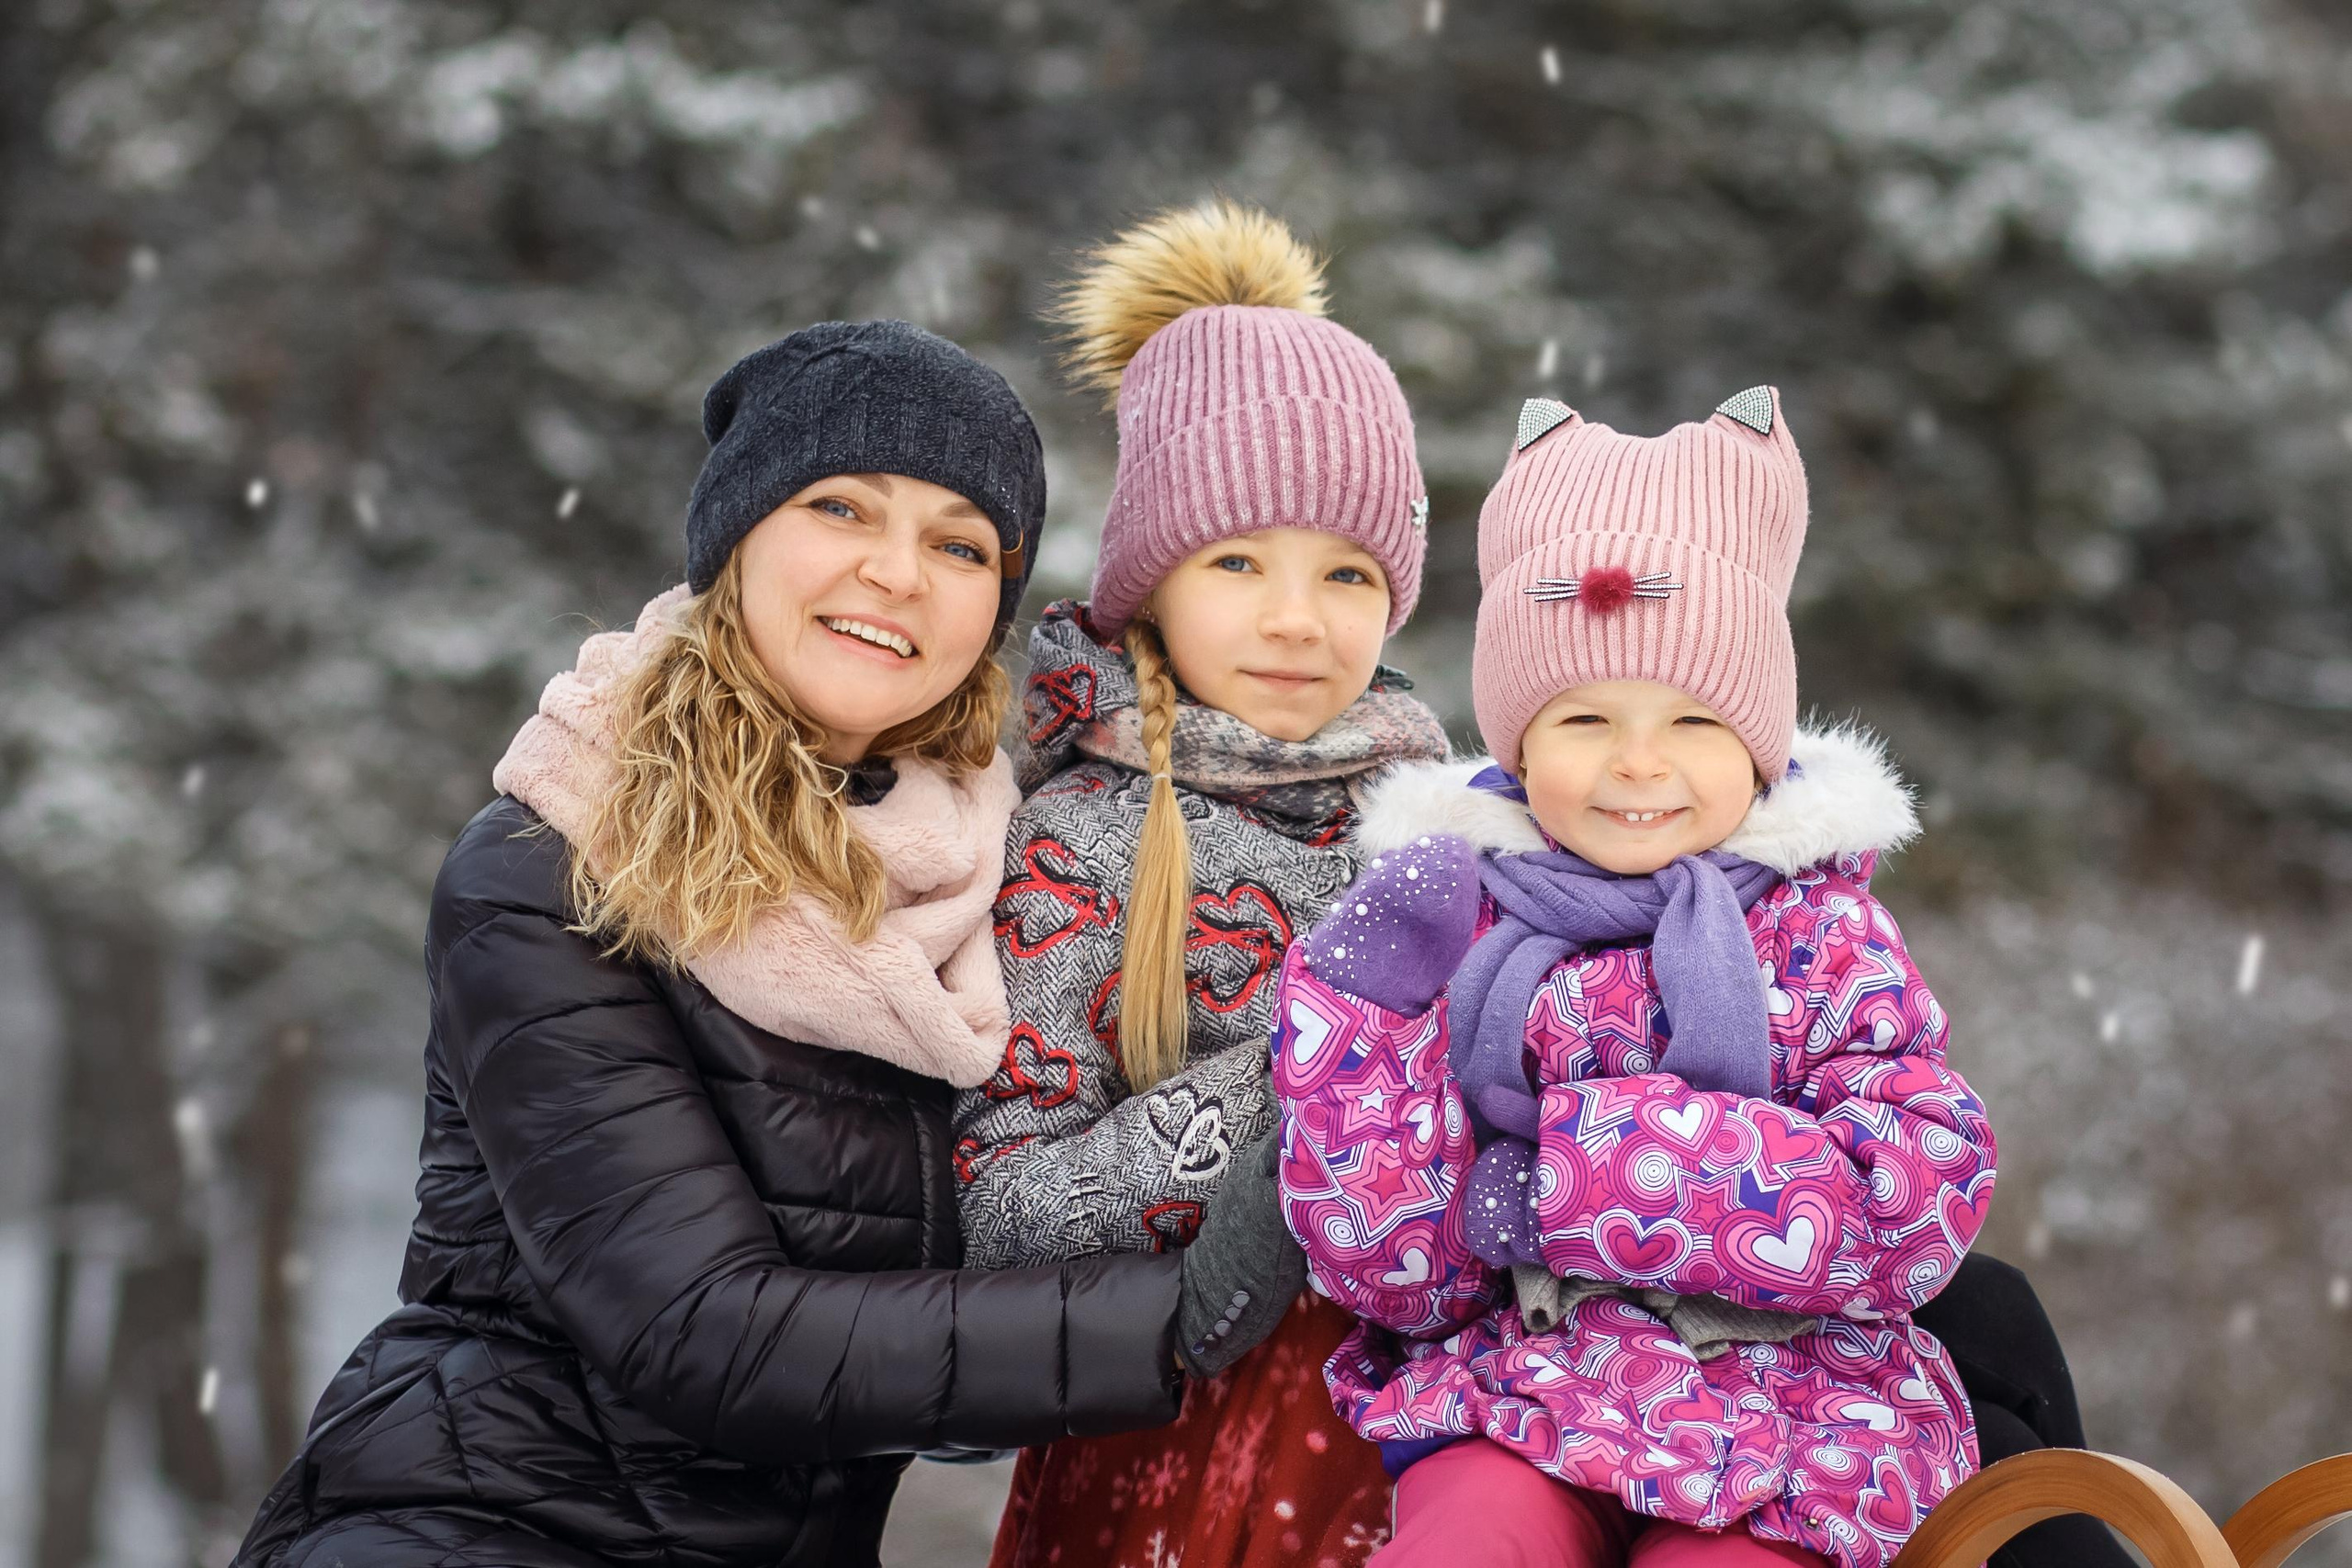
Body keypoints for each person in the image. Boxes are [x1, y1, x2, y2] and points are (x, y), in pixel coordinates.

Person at [229, 321, 1269, 1568]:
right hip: (494, 1527)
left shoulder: (994, 873)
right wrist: (1177, 1313)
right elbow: (704, 1328)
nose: (900, 572)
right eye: (842, 506)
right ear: (737, 537)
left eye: (960, 543)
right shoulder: (560, 859)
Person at [1273, 389, 1997, 1567]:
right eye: (1585, 717)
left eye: (1696, 722)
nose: (1639, 764)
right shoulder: (1466, 924)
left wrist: (1561, 1180)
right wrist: (1358, 1028)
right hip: (1530, 1398)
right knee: (1468, 1543)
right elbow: (1394, 1275)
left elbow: (1910, 1200)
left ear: (1758, 744)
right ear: (1516, 746)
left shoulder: (1823, 936)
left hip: (1793, 1415)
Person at [956, 201, 1451, 1568]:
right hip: (1183, 1436)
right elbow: (1001, 1207)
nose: (1301, 616)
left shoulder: (1447, 823)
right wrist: (1313, 1080)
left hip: (1444, 1429)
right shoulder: (1087, 837)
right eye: (1240, 561)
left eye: (1349, 571)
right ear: (1152, 580)